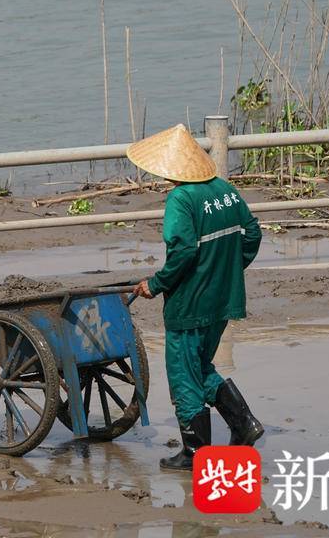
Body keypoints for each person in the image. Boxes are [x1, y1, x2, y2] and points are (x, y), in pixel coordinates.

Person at [128, 123, 264, 471]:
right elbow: (251, 233)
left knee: (183, 374)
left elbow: (184, 250)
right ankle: (244, 424)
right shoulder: (225, 190)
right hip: (224, 299)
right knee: (202, 366)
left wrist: (155, 284)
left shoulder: (180, 199)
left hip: (189, 304)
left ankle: (195, 454)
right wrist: (228, 269)